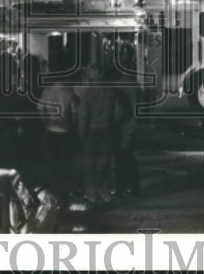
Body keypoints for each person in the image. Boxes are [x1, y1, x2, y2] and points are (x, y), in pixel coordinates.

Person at [75, 64, 121, 204]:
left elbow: (83, 116)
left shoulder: (88, 93)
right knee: (104, 164)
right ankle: (106, 193)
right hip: (108, 130)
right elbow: (119, 112)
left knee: (90, 165)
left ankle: (92, 195)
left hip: (92, 132)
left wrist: (81, 135)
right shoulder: (110, 92)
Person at [39, 72, 78, 203]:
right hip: (65, 131)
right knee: (65, 164)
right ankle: (64, 193)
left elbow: (41, 110)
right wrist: (71, 125)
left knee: (51, 163)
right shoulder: (69, 92)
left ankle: (53, 191)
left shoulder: (47, 92)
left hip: (50, 130)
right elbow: (74, 113)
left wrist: (46, 122)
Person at [112, 73, 141, 198]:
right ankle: (134, 187)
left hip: (121, 125)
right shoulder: (135, 84)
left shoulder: (116, 86)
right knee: (130, 157)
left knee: (120, 158)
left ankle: (120, 187)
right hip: (132, 123)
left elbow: (117, 110)